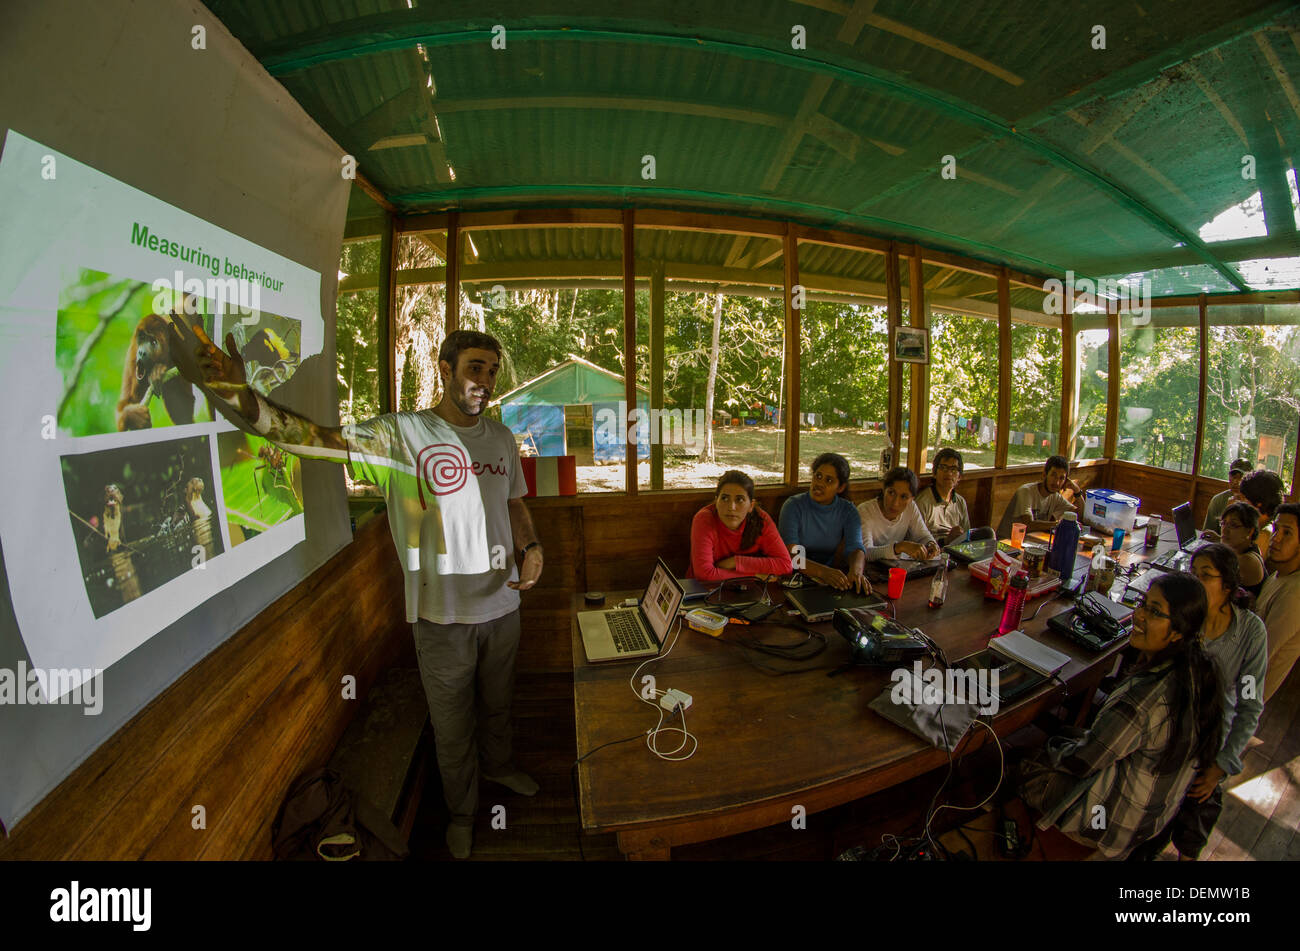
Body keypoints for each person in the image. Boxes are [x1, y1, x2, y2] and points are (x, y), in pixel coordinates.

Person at [169, 323, 542, 860]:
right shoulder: (401, 435)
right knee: (452, 726)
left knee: (499, 704)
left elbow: (514, 504)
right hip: (441, 617)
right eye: (473, 368)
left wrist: (532, 548)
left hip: (504, 604)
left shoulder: (502, 438)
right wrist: (239, 394)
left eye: (490, 369)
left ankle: (501, 769)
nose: (483, 380)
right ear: (445, 369)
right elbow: (310, 440)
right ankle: (462, 813)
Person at [1018, 573, 1223, 859]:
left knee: (1024, 762)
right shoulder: (1200, 670)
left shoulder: (1142, 698)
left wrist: (1050, 751)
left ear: (1177, 631)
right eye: (1143, 604)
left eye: (1154, 611)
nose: (1138, 615)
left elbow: (1082, 761)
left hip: (1112, 823)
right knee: (1066, 736)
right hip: (1154, 817)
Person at [1128, 544, 1266, 861]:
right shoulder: (1187, 621)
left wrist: (1221, 765)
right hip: (1168, 732)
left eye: (1205, 575)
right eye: (1192, 573)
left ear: (1228, 586)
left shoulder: (1249, 634)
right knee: (1148, 828)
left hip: (1209, 740)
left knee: (1196, 818)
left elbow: (1248, 706)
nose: (1195, 580)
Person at [778, 453, 870, 593]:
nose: (819, 483)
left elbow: (856, 548)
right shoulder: (793, 506)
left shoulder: (848, 510)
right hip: (792, 580)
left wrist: (856, 572)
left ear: (840, 487)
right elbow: (792, 556)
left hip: (828, 582)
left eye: (829, 480)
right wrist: (823, 572)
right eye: (818, 476)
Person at [690, 470, 793, 583]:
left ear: (751, 506)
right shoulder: (704, 519)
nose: (731, 507)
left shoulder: (761, 519)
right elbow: (704, 574)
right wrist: (755, 576)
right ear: (716, 501)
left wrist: (735, 562)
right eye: (724, 498)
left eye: (739, 499)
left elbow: (785, 565)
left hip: (751, 591)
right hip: (706, 590)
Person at [1259, 502, 1300, 702]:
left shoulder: (1295, 595)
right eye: (1276, 529)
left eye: (1287, 533)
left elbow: (1257, 660)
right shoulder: (1278, 573)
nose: (1276, 538)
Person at [857, 466, 939, 562]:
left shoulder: (911, 507)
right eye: (891, 493)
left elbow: (922, 535)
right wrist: (898, 547)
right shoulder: (865, 511)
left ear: (912, 498)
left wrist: (931, 544)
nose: (895, 503)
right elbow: (865, 553)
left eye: (903, 497)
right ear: (884, 490)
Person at [997, 454, 1082, 539]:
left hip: (1032, 543)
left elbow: (1081, 515)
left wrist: (1077, 491)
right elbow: (1028, 524)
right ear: (1044, 474)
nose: (1057, 482)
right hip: (1006, 544)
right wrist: (1059, 524)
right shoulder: (1026, 491)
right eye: (1053, 475)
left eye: (1061, 478)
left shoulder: (1055, 497)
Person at [915, 447, 970, 544]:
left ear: (959, 477)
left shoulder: (960, 502)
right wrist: (946, 541)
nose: (948, 473)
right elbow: (916, 540)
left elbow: (966, 536)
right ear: (934, 473)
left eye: (953, 469)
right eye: (943, 468)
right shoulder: (923, 501)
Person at [1217, 502, 1267, 602]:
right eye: (1223, 523)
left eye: (1233, 525)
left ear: (1249, 531)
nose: (1224, 530)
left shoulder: (1246, 561)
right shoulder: (1250, 548)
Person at [1239, 469, 1284, 554]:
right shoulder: (1258, 526)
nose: (1238, 502)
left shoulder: (1264, 535)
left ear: (1258, 503)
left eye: (1242, 498)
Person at [1203, 458, 1250, 534]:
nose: (1236, 482)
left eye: (1240, 478)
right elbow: (1208, 534)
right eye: (1234, 477)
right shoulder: (1218, 500)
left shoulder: (1252, 503)